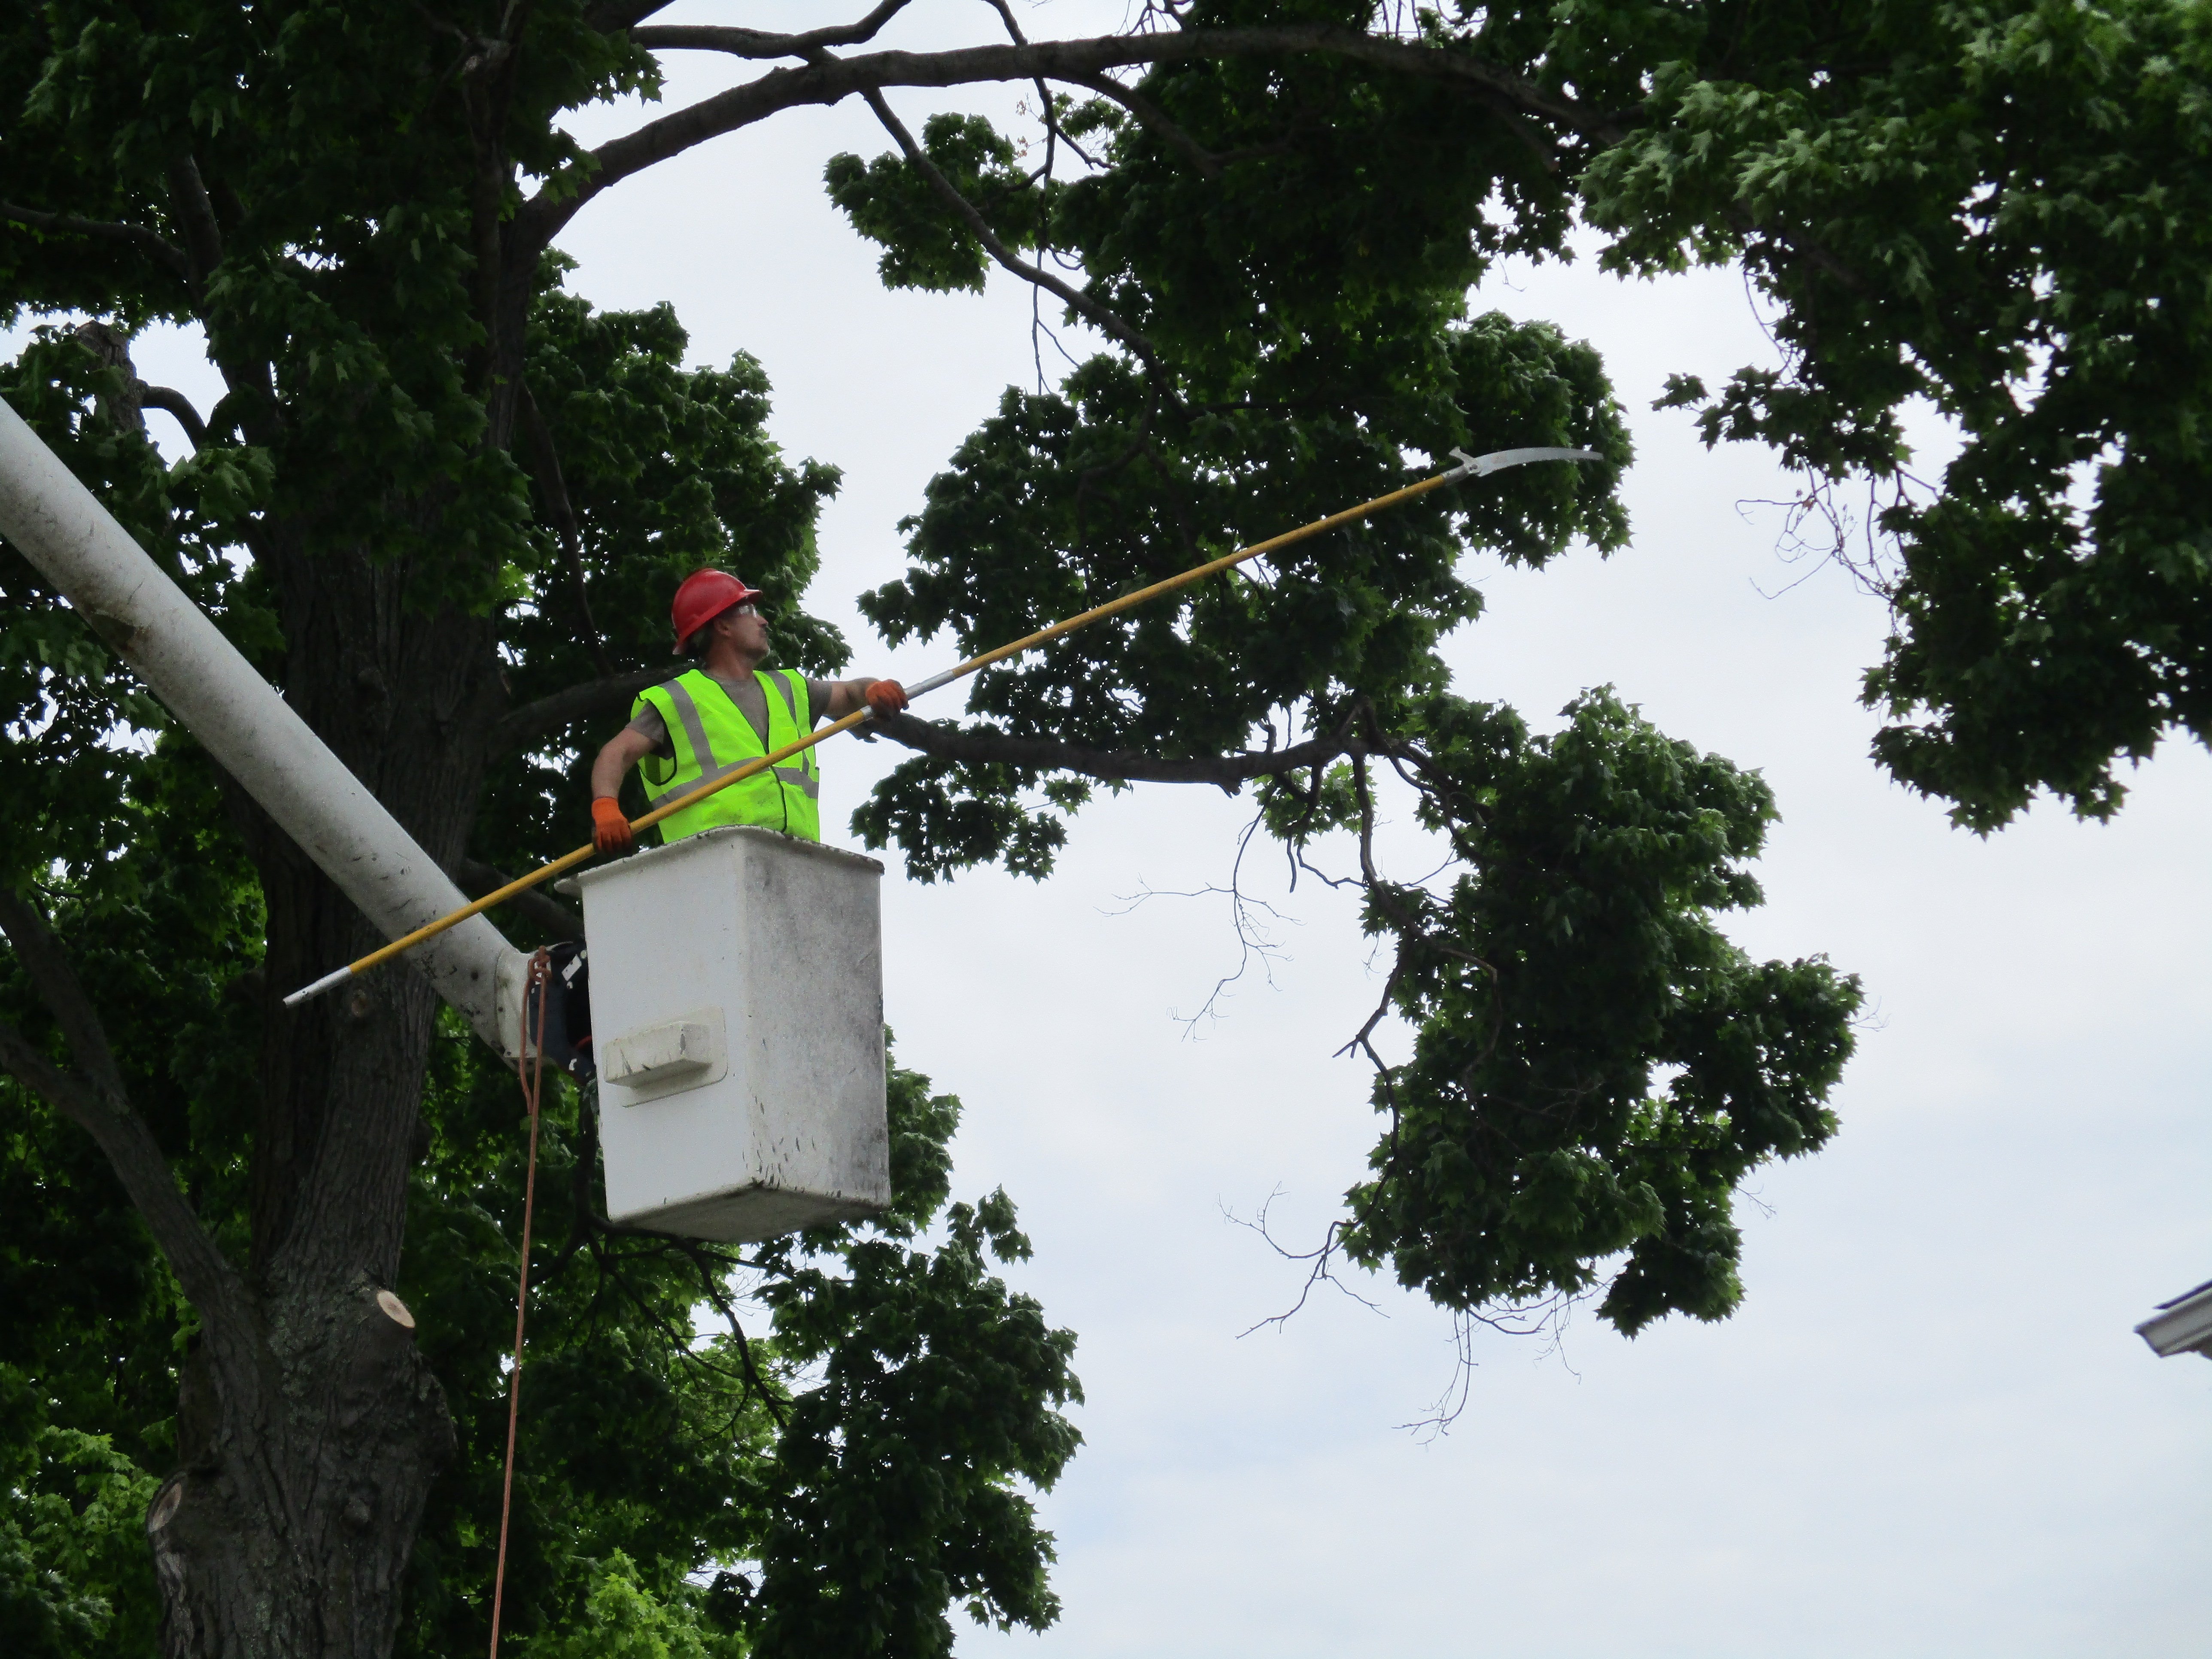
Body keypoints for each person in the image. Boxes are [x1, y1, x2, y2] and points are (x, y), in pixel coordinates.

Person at [588, 568, 907, 852]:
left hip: (799, 861)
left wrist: (872, 688)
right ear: (723, 626)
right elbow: (617, 754)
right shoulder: (677, 699)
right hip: (712, 866)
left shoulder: (789, 687)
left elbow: (850, 693)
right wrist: (605, 807)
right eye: (749, 610)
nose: (763, 620)